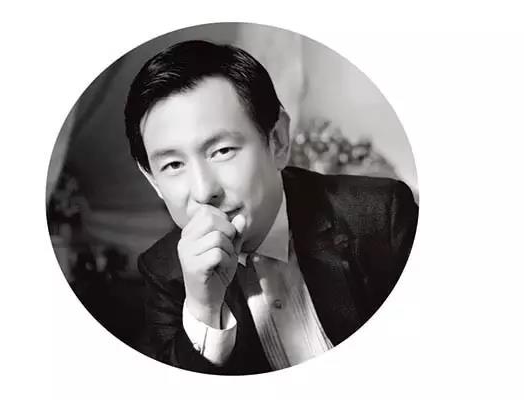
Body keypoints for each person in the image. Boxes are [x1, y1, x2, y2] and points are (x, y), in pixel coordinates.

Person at [123, 40, 418, 375]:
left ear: (277, 140)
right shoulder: (163, 272)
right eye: (174, 165)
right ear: (153, 181)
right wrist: (204, 310)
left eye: (222, 151)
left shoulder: (380, 215)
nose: (204, 192)